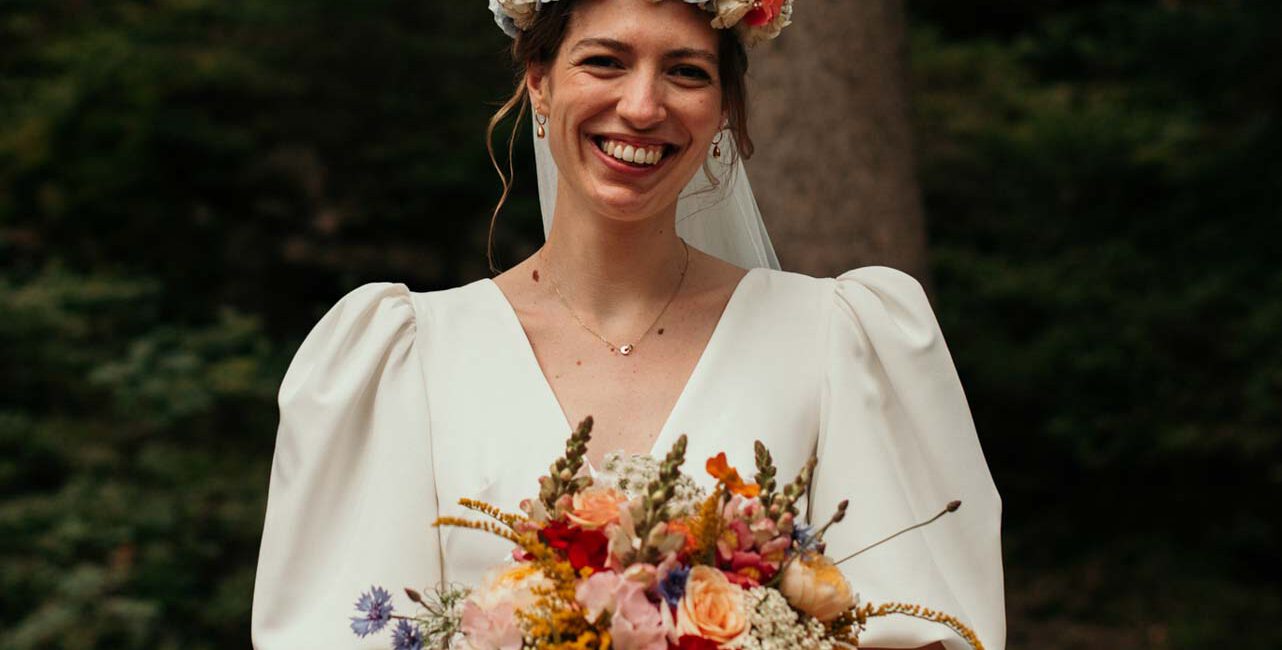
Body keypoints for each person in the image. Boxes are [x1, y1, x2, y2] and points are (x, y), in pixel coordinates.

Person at [251, 1, 1006, 649]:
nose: (643, 107)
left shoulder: (837, 340)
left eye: (686, 72)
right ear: (539, 79)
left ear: (724, 107)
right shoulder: (403, 359)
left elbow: (921, 629)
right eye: (605, 61)